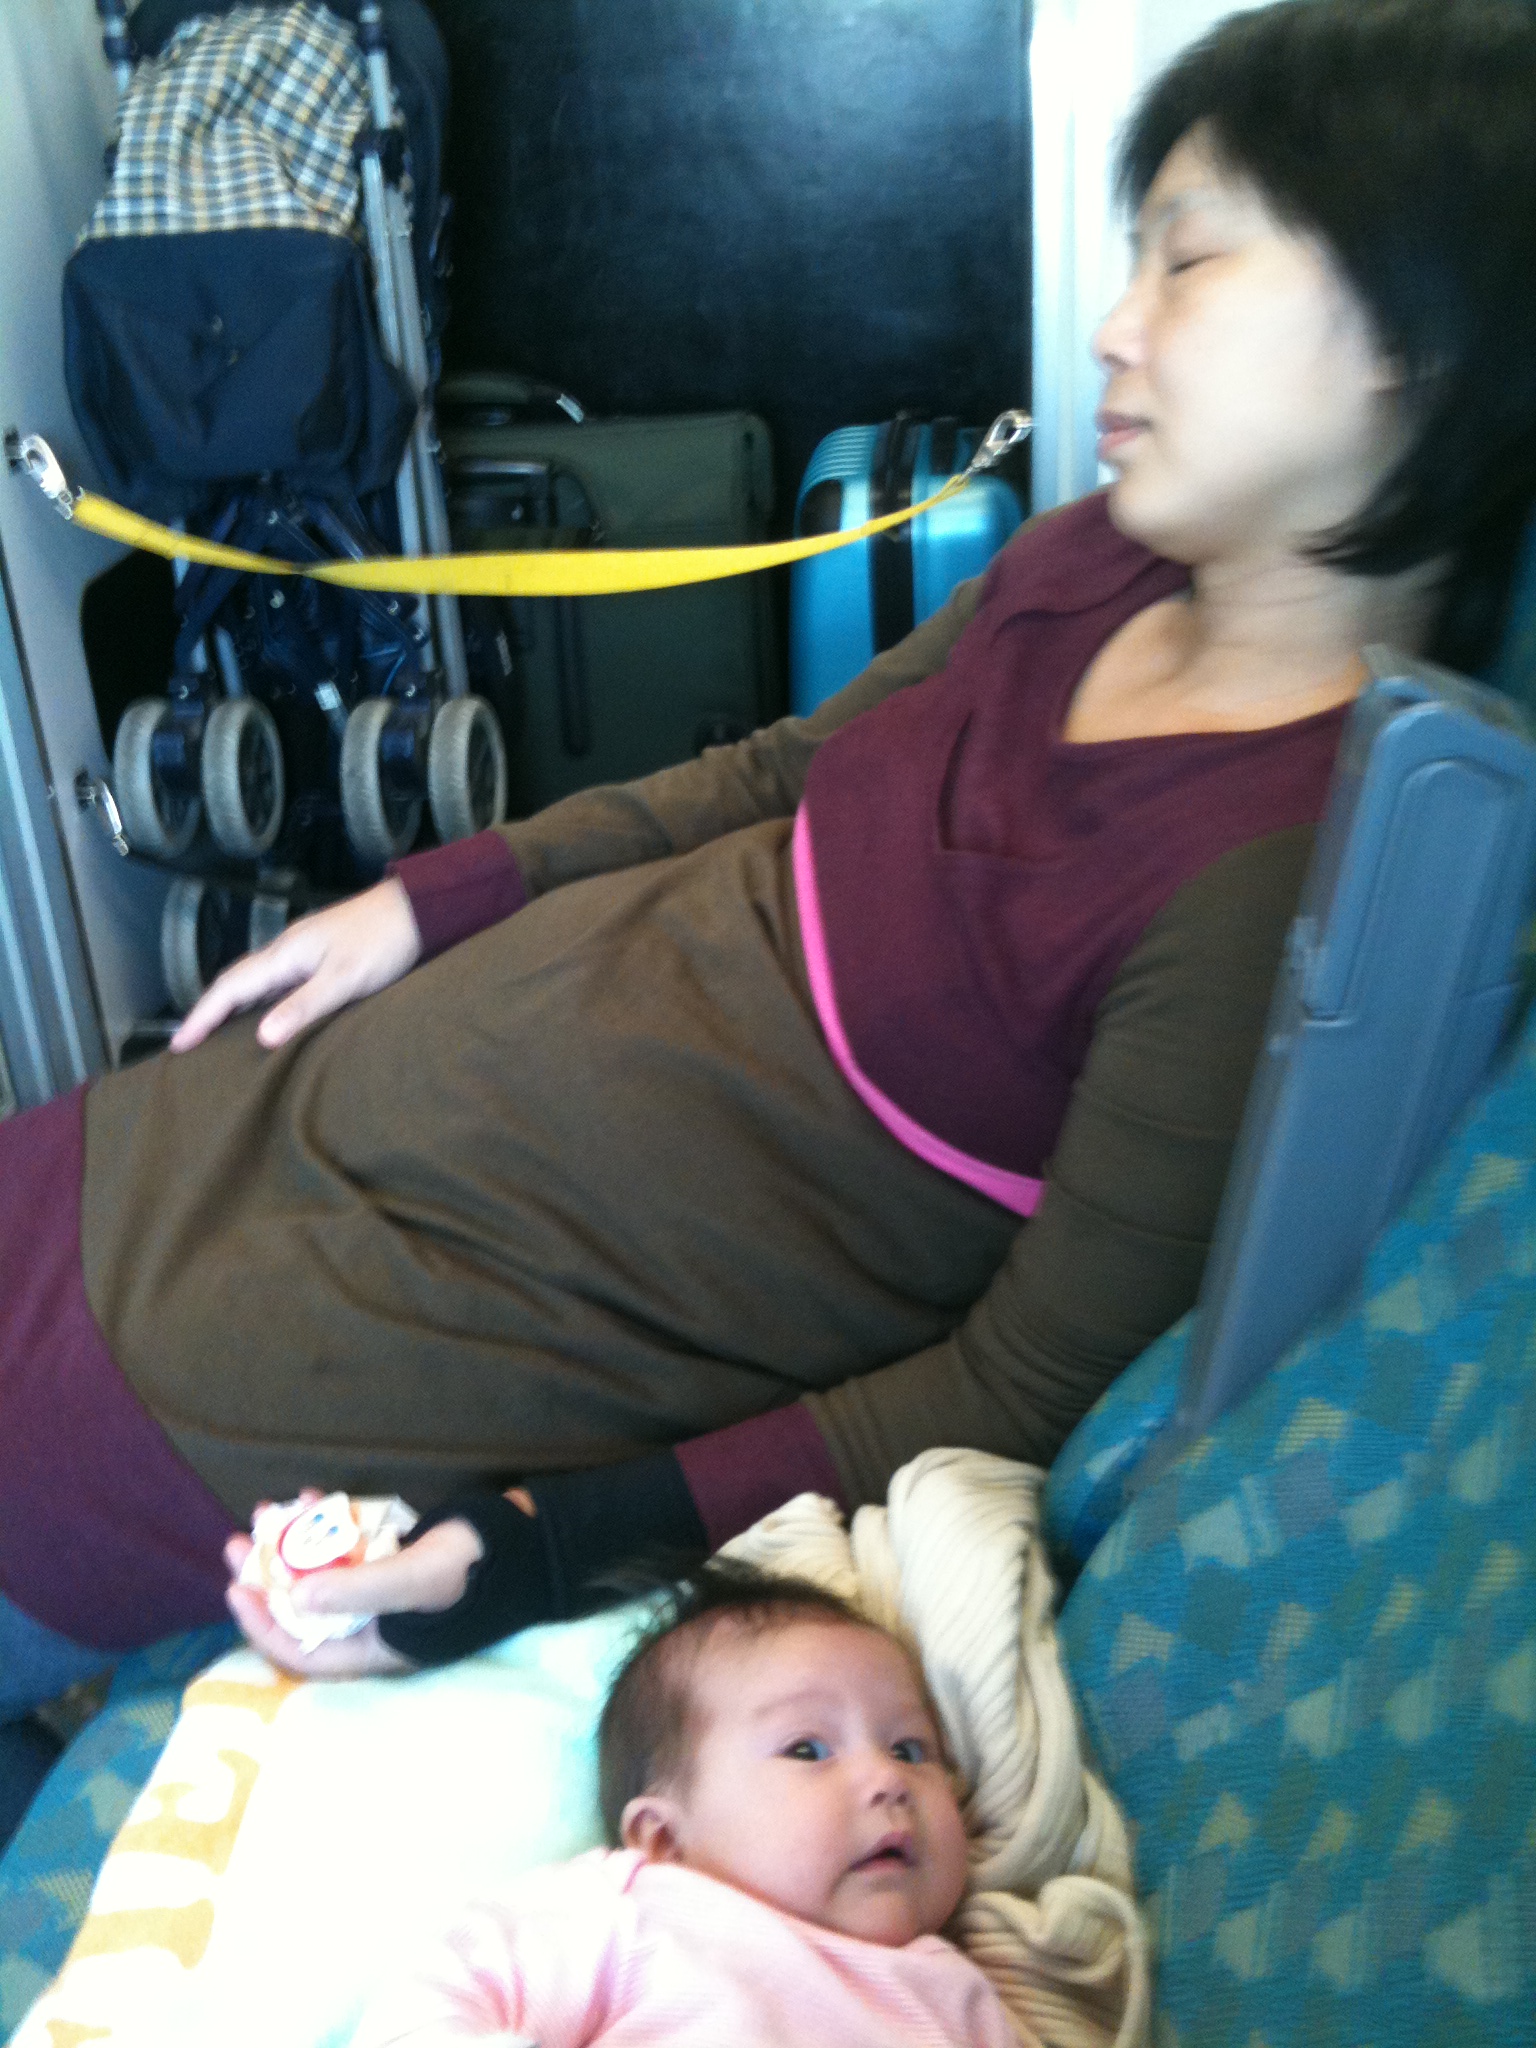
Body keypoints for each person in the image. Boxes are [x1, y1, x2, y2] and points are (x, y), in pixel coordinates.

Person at [3, 0, 1536, 1712]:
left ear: (1418, 333)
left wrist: (534, 1547)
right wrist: (422, 904)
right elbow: (776, 775)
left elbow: (1014, 1394)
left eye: (1189, 264)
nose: (1116, 329)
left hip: (413, 1318)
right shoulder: (1092, 564)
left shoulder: (1271, 877)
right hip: (354, 1104)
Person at [349, 1564, 1017, 2048]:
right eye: (807, 1750)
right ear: (665, 1840)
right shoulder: (639, 1912)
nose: (888, 1779)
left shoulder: (964, 1997)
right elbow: (440, 1989)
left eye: (909, 1748)